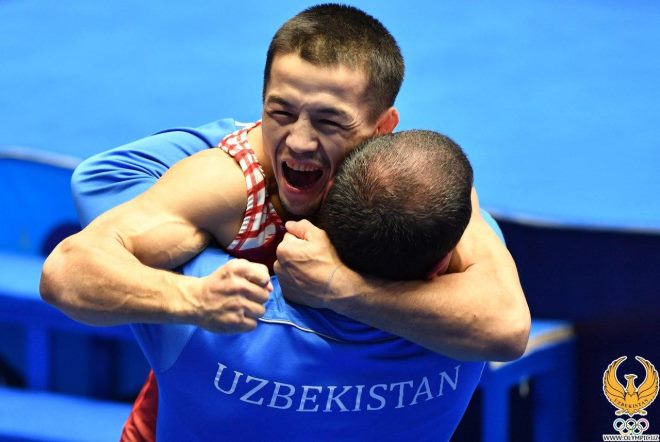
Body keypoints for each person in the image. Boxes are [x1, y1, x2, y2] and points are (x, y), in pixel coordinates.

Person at [40, 3, 530, 441]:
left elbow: (506, 326)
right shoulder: (231, 188)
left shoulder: (409, 185)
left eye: (328, 121)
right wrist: (196, 299)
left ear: (382, 128)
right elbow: (66, 272)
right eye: (281, 112)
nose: (298, 141)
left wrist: (336, 286)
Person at [107, 130, 484, 441]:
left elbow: (108, 178)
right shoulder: (472, 337)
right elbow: (500, 300)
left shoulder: (203, 299)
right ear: (442, 262)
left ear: (324, 211)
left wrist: (254, 136)